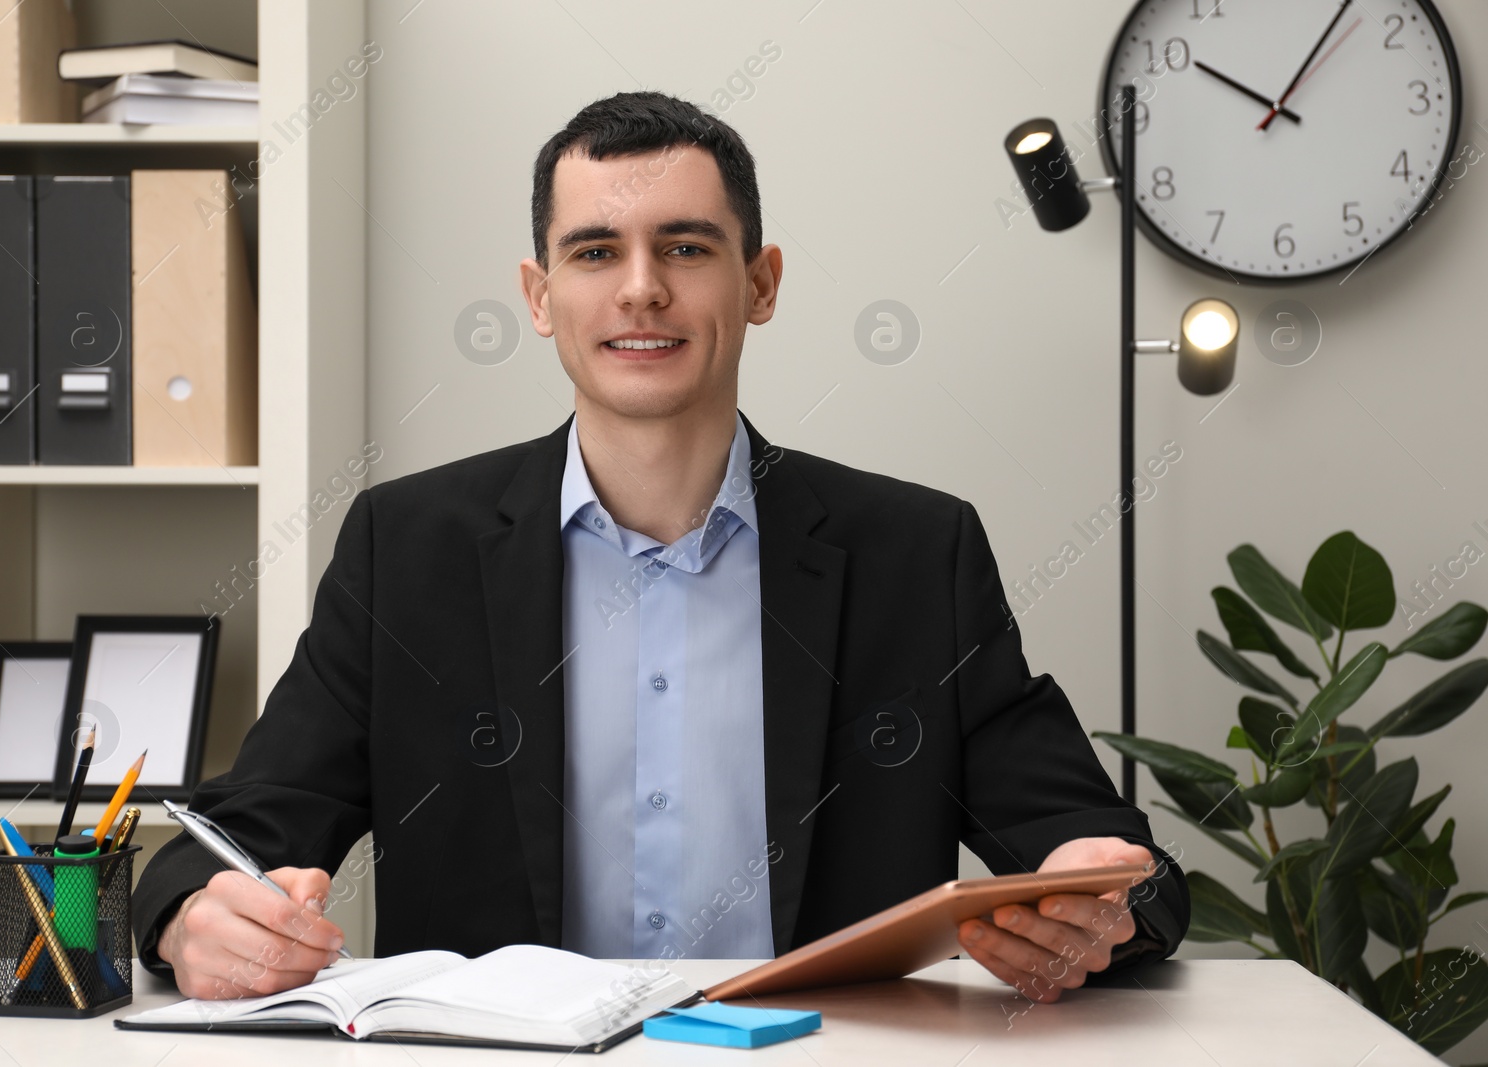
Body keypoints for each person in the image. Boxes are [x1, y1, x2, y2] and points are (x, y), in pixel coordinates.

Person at [132, 90, 1188, 1003]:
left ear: (760, 283)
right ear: (541, 298)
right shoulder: (407, 550)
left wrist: (1110, 897)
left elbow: (1091, 846)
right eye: (595, 252)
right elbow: (237, 831)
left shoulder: (918, 551)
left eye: (686, 247)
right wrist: (193, 919)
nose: (641, 288)